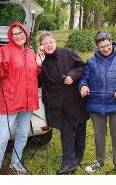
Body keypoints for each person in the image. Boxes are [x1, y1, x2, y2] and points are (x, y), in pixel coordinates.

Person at [79, 31, 116, 175]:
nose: (106, 49)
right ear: (97, 47)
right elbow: (83, 79)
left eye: (108, 45)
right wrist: (83, 86)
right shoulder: (91, 61)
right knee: (99, 135)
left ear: (112, 42)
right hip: (96, 104)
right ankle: (99, 161)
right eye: (102, 47)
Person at [0, 21, 39, 175]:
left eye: (20, 32)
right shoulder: (5, 51)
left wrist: (39, 66)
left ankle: (16, 162)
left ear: (25, 34)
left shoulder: (30, 52)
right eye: (14, 34)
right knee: (3, 137)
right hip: (12, 100)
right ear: (10, 36)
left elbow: (32, 75)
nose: (18, 36)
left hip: (28, 100)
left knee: (22, 134)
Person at [36, 31, 87, 175]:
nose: (49, 45)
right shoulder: (41, 60)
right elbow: (36, 80)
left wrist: (72, 76)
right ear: (41, 46)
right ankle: (69, 162)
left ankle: (78, 155)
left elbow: (82, 67)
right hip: (55, 103)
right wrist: (38, 61)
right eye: (45, 44)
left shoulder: (68, 53)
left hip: (74, 100)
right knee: (65, 130)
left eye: (50, 42)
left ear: (55, 42)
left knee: (79, 128)